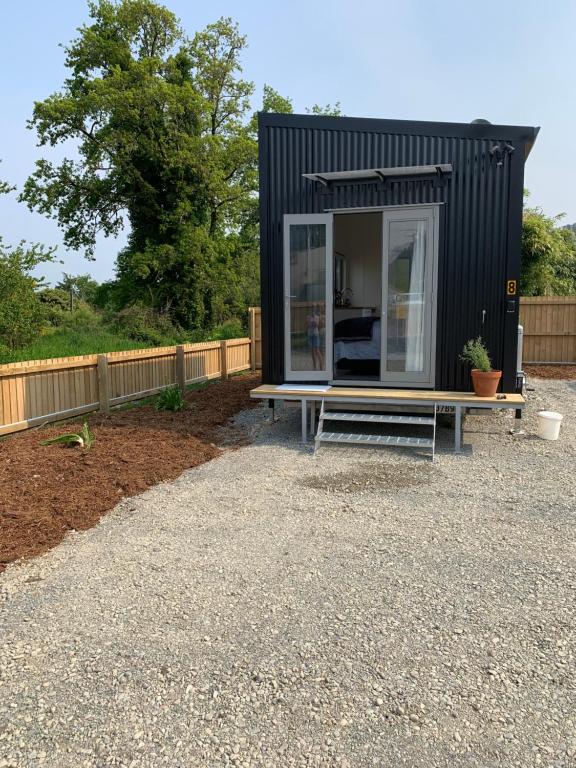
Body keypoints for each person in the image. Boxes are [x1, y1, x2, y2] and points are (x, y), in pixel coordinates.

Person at [306, 304, 325, 370]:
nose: (312, 310)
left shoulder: (317, 316)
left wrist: (313, 321)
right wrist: (312, 322)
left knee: (317, 351)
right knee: (312, 351)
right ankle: (314, 367)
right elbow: (308, 325)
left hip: (316, 335)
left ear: (315, 309)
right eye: (311, 308)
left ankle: (321, 366)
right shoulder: (308, 316)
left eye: (314, 308)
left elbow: (316, 324)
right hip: (310, 335)